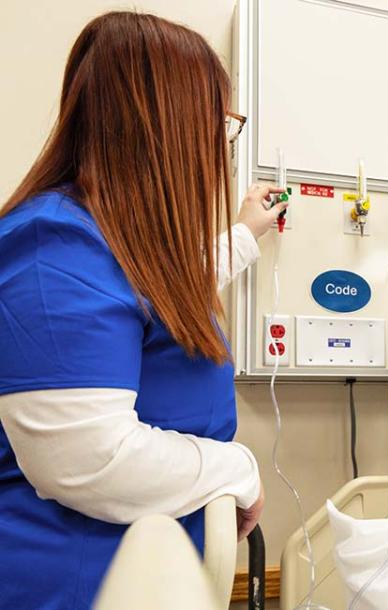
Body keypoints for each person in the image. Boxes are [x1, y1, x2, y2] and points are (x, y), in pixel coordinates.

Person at [0, 12, 287, 608]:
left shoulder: (104, 243)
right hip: (72, 584)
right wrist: (235, 469)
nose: (222, 146)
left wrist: (245, 235)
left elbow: (148, 297)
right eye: (223, 124)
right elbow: (86, 460)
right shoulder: (53, 246)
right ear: (170, 126)